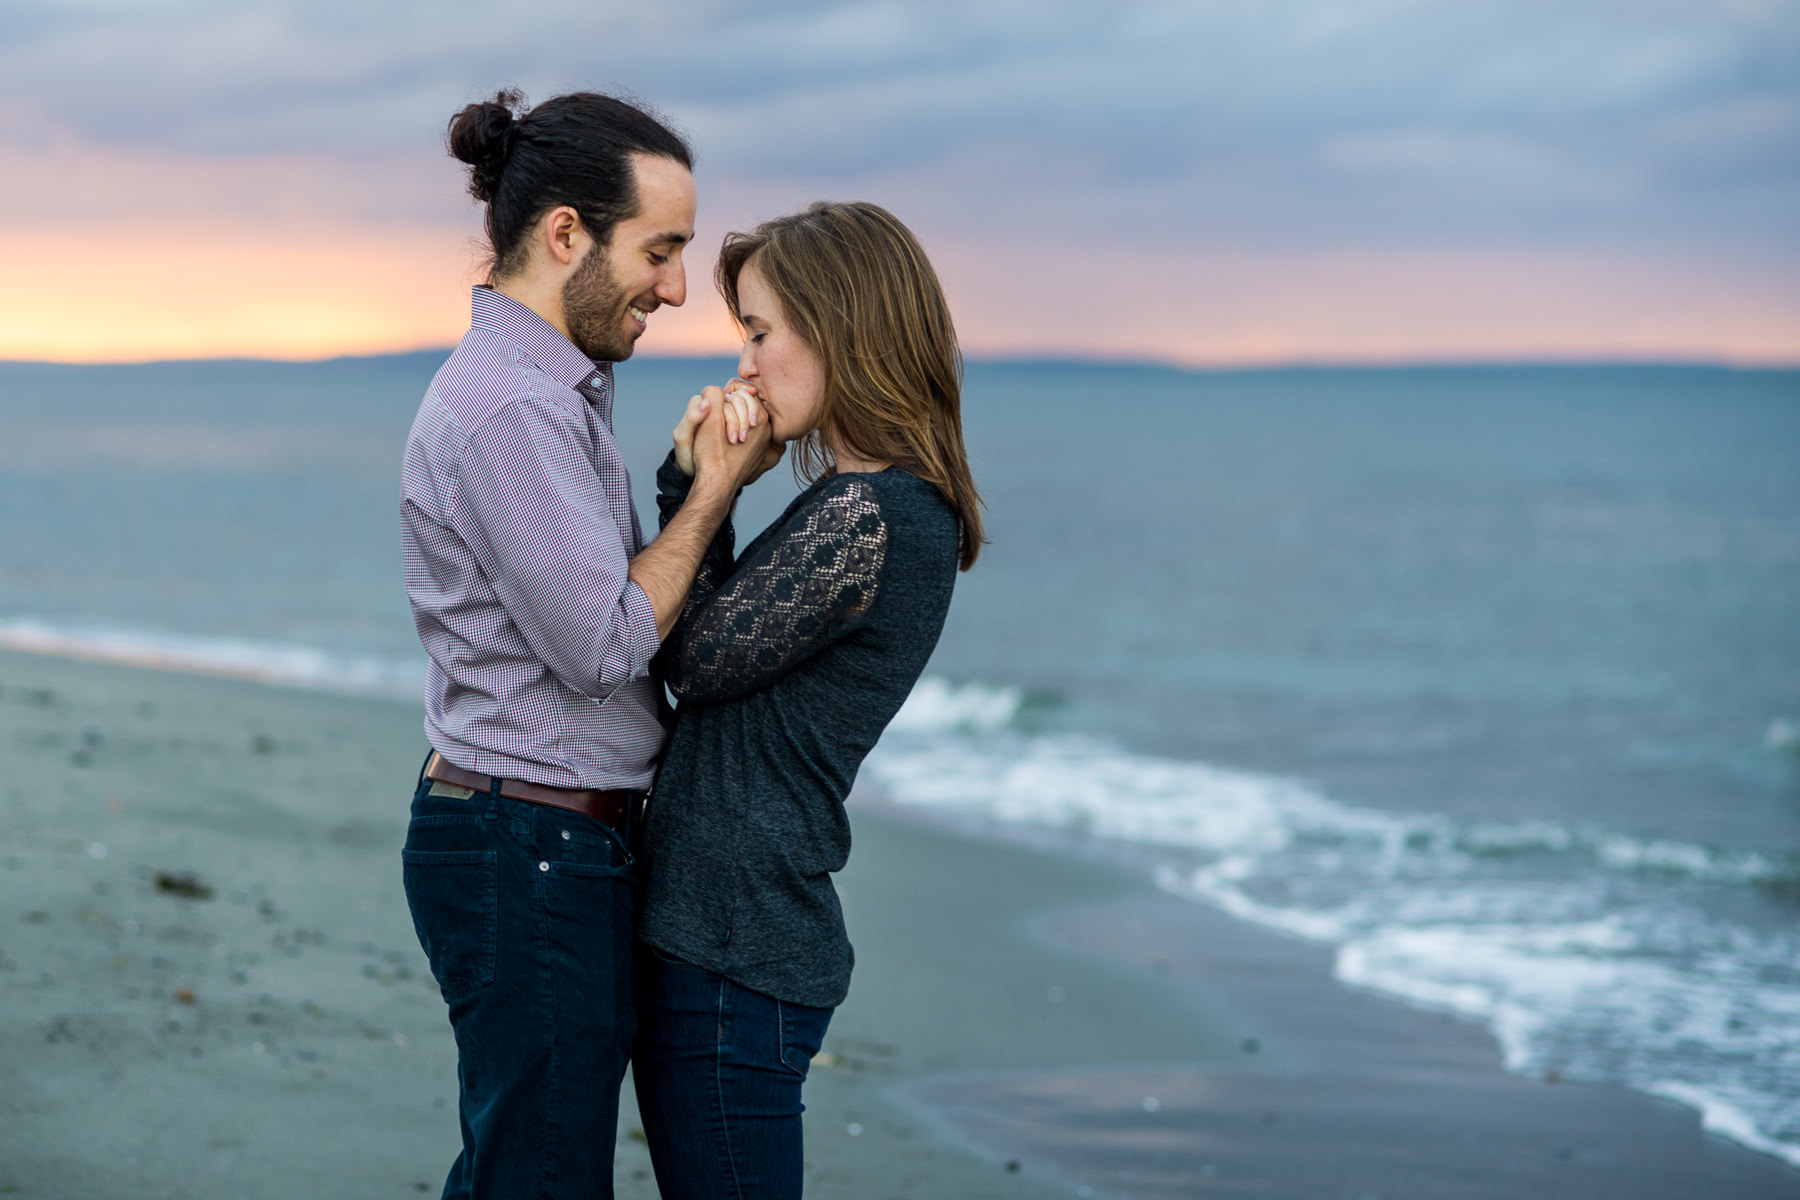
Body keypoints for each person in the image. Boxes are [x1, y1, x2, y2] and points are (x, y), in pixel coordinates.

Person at [397, 89, 775, 1200]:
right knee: (543, 1176)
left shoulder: (548, 394)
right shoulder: (511, 407)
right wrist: (710, 497)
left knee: (526, 1164)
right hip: (529, 847)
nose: (675, 286)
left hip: (535, 841)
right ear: (566, 234)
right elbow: (605, 641)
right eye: (660, 251)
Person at [632, 201, 985, 1199]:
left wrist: (699, 486)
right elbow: (713, 665)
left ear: (839, 327)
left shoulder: (872, 515)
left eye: (758, 331)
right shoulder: (868, 504)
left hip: (735, 952)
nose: (744, 363)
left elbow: (688, 660)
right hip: (729, 938)